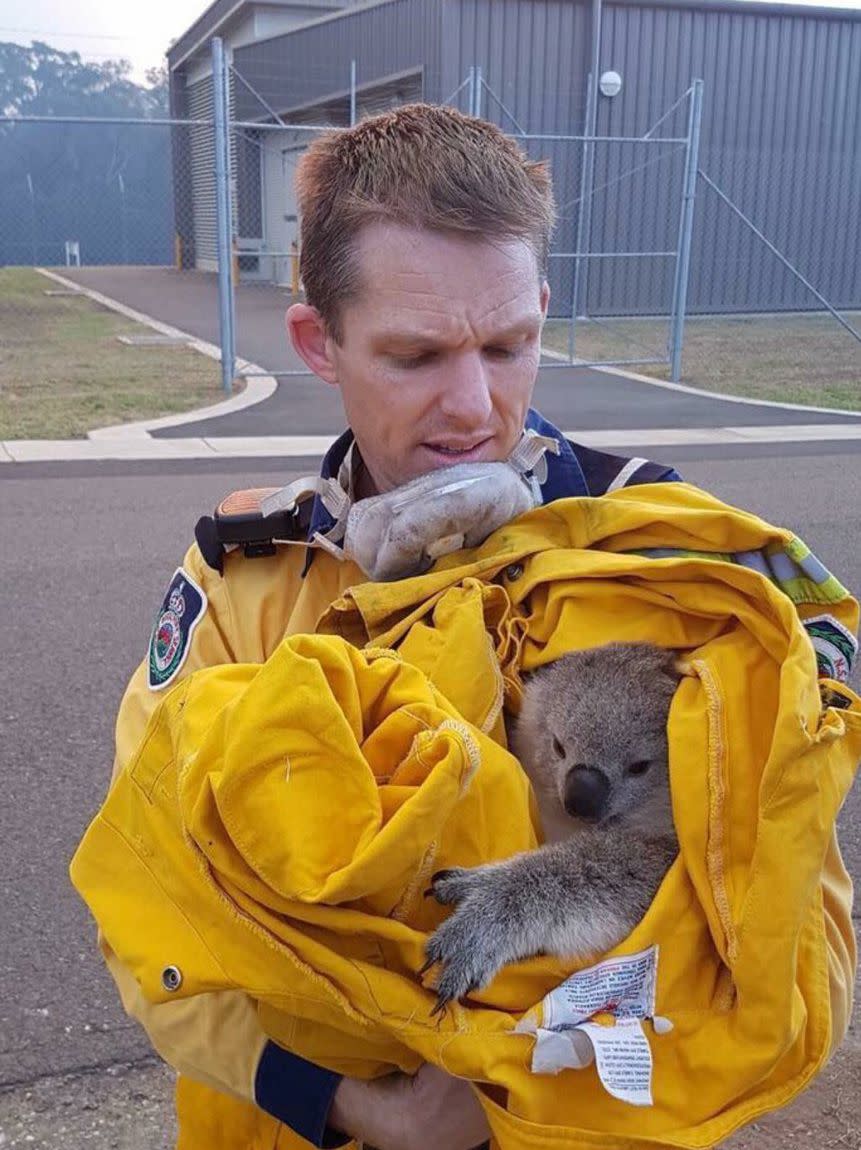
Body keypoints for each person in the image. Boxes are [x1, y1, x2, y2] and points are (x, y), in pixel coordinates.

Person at [100, 104, 681, 1149]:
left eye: (509, 346)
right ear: (319, 343)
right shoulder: (247, 576)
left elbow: (787, 925)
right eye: (415, 356)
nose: (472, 405)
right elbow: (146, 910)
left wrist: (528, 1072)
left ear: (545, 310)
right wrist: (352, 1104)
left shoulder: (660, 565)